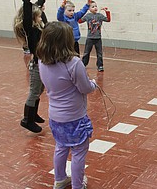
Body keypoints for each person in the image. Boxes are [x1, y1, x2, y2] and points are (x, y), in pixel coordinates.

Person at [36, 21, 97, 189]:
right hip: (75, 118)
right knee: (78, 152)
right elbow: (85, 88)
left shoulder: (42, 60)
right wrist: (93, 83)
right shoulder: (74, 63)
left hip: (55, 116)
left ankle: (60, 179)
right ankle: (78, 186)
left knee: (61, 147)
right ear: (67, 41)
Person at [13, 0, 47, 133]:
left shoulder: (39, 26)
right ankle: (27, 120)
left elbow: (37, 10)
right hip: (36, 65)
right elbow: (28, 14)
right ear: (33, 18)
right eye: (38, 16)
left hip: (42, 63)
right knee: (34, 91)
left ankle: (34, 114)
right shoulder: (30, 29)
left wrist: (42, 0)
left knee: (40, 89)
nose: (41, 17)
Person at [79, 1, 111, 72]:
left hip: (98, 38)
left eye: (96, 6)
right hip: (90, 38)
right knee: (86, 52)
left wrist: (107, 12)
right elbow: (79, 21)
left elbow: (108, 20)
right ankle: (83, 64)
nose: (95, 8)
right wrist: (81, 12)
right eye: (92, 7)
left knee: (99, 53)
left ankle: (100, 65)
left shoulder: (99, 15)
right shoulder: (88, 16)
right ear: (89, 9)